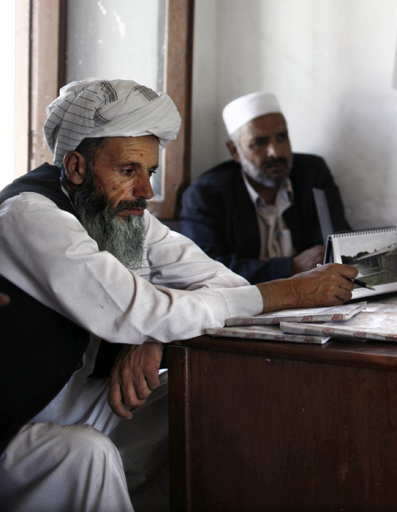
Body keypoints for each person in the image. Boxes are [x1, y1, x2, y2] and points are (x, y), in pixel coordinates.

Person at [0, 79, 359, 512]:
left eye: (149, 172)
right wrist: (288, 291)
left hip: (72, 401)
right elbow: (138, 310)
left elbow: (224, 284)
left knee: (197, 397)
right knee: (86, 454)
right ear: (76, 167)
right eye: (129, 170)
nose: (146, 191)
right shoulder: (30, 217)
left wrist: (154, 337)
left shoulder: (121, 212)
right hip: (16, 421)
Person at [180, 91, 350, 283]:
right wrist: (290, 267)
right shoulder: (205, 195)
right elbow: (204, 269)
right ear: (235, 151)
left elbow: (335, 239)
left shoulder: (313, 174)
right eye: (259, 143)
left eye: (281, 138)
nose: (275, 152)